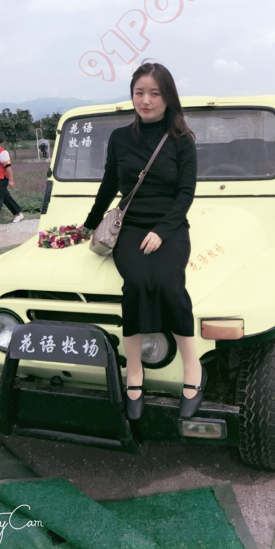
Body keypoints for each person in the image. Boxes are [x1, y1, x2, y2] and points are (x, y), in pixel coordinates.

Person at [84, 61, 207, 422]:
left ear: (168, 97)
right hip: (131, 226)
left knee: (169, 283)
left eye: (154, 93)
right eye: (139, 93)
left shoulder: (182, 140)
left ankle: (192, 367)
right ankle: (134, 370)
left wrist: (162, 231)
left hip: (170, 226)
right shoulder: (119, 138)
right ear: (132, 95)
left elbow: (185, 194)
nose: (146, 100)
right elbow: (109, 184)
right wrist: (89, 224)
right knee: (136, 283)